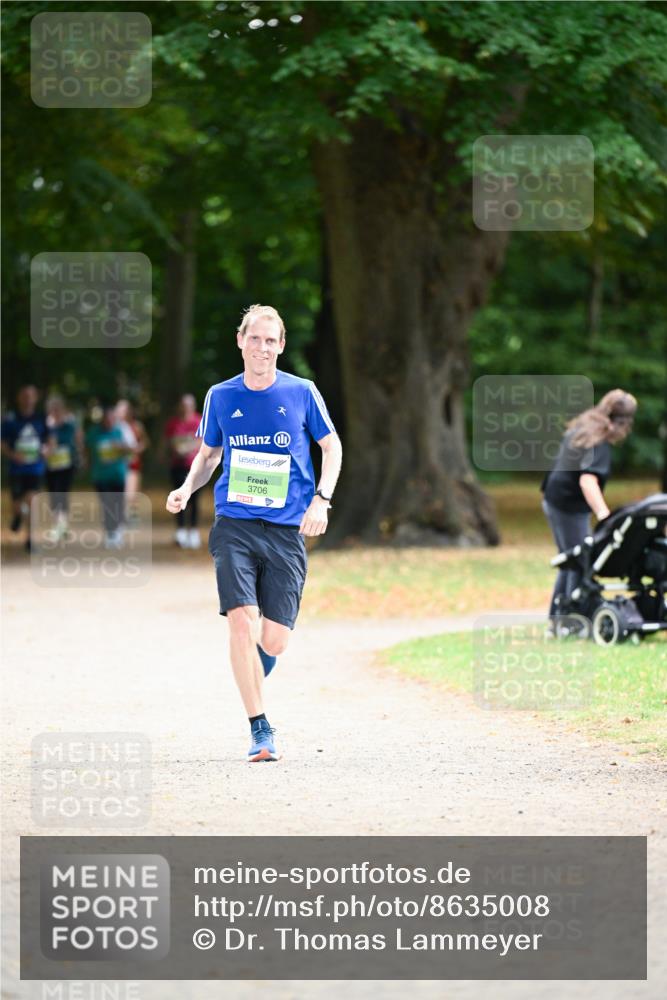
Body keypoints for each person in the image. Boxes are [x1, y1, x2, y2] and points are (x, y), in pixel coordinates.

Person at [166, 304, 343, 762]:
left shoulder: (301, 391)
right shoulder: (220, 396)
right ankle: (260, 729)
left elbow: (331, 445)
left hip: (286, 530)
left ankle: (252, 672)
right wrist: (186, 489)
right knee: (241, 621)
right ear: (240, 341)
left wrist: (321, 499)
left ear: (281, 346)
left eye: (271, 340)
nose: (262, 347)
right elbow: (207, 456)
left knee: (275, 640)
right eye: (255, 338)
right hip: (235, 524)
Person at [541, 388, 637, 628]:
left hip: (556, 499)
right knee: (580, 559)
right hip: (567, 505)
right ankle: (570, 620)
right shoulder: (598, 442)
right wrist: (605, 515)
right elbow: (588, 481)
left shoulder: (585, 427)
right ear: (624, 423)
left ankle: (560, 618)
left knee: (572, 558)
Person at [1, 385, 49, 550]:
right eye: (24, 395)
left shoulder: (42, 418)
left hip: (35, 468)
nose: (27, 399)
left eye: (30, 396)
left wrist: (47, 450)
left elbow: (51, 439)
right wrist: (13, 455)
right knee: (17, 505)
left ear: (36, 398)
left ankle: (30, 539)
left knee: (31, 500)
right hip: (16, 469)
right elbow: (2, 442)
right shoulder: (10, 419)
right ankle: (17, 515)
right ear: (19, 398)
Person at [85, 404, 134, 548]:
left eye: (111, 419)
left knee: (118, 503)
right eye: (106, 419)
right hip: (100, 476)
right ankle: (110, 532)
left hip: (118, 474)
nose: (109, 422)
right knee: (106, 504)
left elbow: (133, 448)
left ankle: (117, 531)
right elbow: (87, 449)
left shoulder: (122, 430)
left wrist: (121, 447)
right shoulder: (94, 433)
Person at [164, 394, 202, 549]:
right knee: (179, 498)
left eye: (188, 405)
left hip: (195, 467)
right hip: (177, 466)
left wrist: (187, 447)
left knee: (194, 499)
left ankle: (193, 531)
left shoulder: (199, 420)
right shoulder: (173, 423)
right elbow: (169, 441)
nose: (185, 408)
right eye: (183, 405)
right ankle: (180, 531)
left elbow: (203, 441)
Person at [44, 395, 82, 541]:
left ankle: (62, 525)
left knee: (62, 492)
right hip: (51, 465)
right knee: (54, 493)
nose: (55, 412)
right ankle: (57, 525)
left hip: (67, 465)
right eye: (52, 409)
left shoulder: (70, 424)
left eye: (57, 409)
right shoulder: (46, 425)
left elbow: (78, 439)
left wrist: (79, 454)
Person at [115, 399, 147, 519]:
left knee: (131, 494)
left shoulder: (136, 426)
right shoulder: (114, 427)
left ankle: (131, 515)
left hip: (132, 464)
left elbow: (144, 442)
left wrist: (138, 449)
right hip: (117, 465)